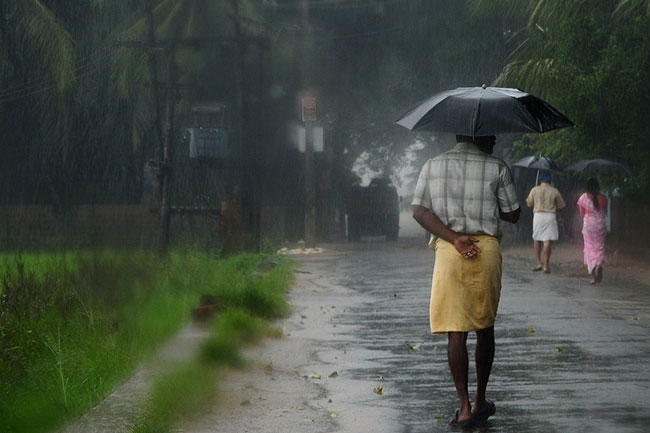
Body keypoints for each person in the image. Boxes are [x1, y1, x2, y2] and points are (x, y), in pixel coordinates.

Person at [411, 135, 520, 428]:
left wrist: (455, 238)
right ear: (479, 135)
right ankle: (480, 399)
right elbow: (513, 214)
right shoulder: (497, 166)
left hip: (449, 251)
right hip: (485, 250)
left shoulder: (432, 165)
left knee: (455, 332)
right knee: (485, 326)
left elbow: (419, 211)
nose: (496, 138)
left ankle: (463, 408)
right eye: (491, 134)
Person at [525, 172, 566, 273]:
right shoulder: (554, 191)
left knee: (537, 239)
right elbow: (561, 206)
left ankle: (539, 263)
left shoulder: (534, 190)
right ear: (550, 180)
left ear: (540, 179)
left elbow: (529, 204)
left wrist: (528, 199)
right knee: (547, 240)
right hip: (550, 216)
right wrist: (561, 217)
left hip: (538, 216)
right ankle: (546, 265)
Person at [577, 178, 608, 284]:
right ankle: (599, 264)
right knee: (599, 247)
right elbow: (604, 211)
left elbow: (582, 214)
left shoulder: (583, 198)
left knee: (589, 249)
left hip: (589, 225)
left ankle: (593, 278)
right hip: (600, 225)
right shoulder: (603, 198)